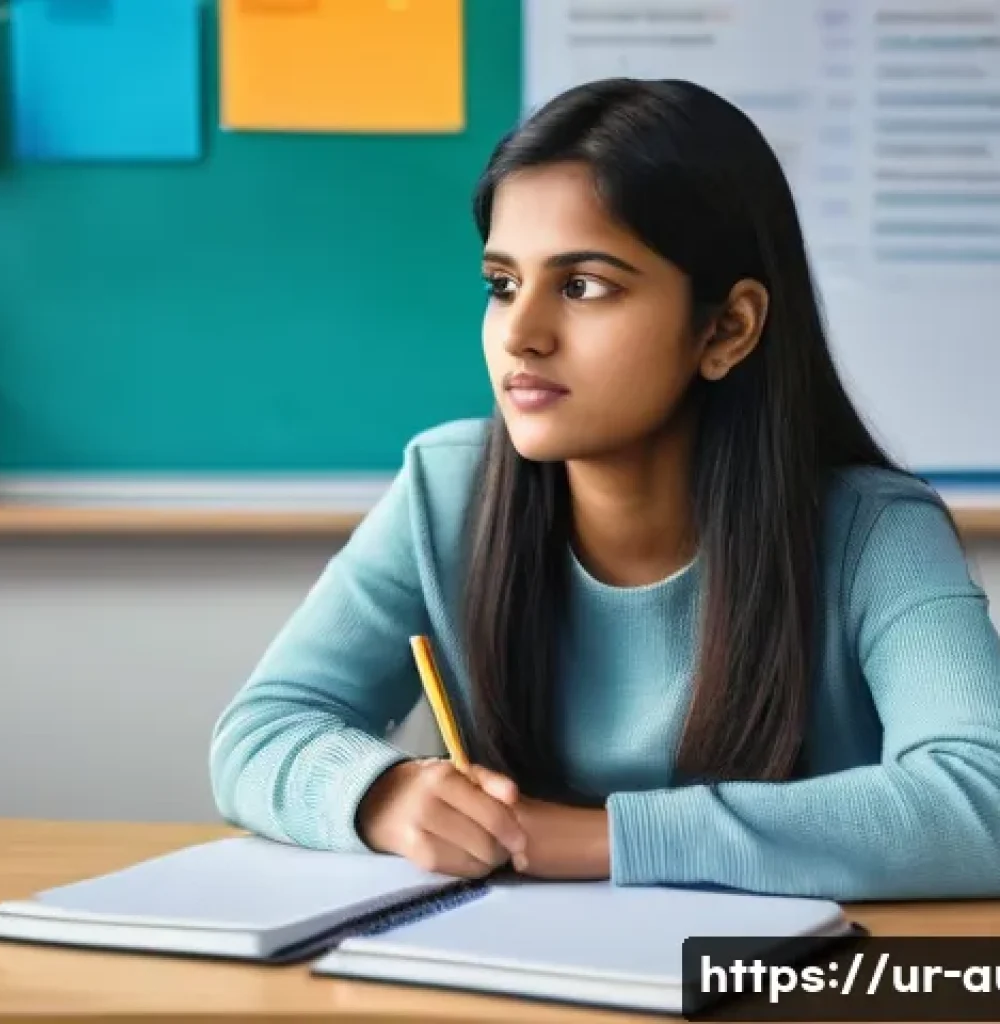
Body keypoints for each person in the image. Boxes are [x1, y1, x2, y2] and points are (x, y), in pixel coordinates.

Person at [209, 79, 1000, 900]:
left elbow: (985, 799)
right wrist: (379, 795)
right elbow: (259, 733)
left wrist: (609, 837)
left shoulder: (875, 533)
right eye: (502, 284)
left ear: (728, 328)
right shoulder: (446, 491)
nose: (522, 334)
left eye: (583, 286)